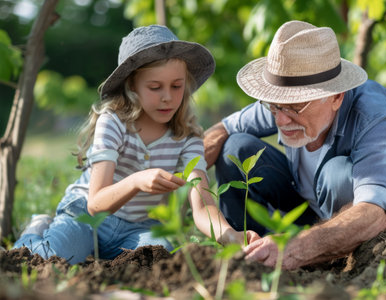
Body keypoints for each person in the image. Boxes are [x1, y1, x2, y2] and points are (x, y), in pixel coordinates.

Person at [14, 25, 258, 264]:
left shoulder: (188, 136)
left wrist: (230, 236)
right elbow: (96, 202)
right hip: (88, 219)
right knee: (51, 260)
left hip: (139, 227)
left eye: (176, 86)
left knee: (159, 257)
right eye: (155, 87)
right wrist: (137, 181)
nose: (168, 97)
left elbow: (203, 207)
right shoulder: (114, 123)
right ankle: (36, 229)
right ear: (132, 86)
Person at [204, 20, 386, 270]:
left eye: (295, 107)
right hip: (311, 219)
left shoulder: (371, 113)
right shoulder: (284, 103)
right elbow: (221, 130)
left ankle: (335, 264)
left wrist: (296, 248)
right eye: (274, 105)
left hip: (376, 232)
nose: (281, 119)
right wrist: (187, 172)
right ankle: (249, 257)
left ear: (335, 96)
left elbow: (374, 212)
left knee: (337, 174)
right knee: (235, 148)